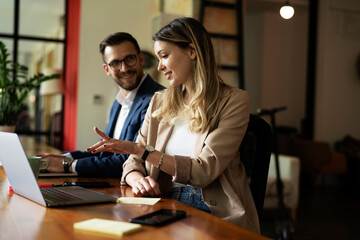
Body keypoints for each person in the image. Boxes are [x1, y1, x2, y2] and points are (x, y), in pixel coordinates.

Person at [86, 18, 260, 232]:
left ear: (192, 51)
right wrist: (137, 178)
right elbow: (132, 162)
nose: (159, 66)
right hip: (163, 202)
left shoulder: (234, 100)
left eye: (164, 56)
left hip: (211, 209)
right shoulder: (160, 100)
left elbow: (203, 172)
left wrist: (143, 151)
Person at [39, 32, 164, 177]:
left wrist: (68, 165)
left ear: (141, 59)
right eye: (115, 63)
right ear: (107, 70)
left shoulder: (157, 99)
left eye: (129, 59)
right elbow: (103, 152)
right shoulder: (118, 103)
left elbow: (132, 159)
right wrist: (62, 158)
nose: (124, 68)